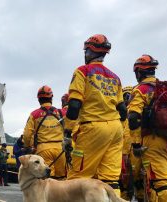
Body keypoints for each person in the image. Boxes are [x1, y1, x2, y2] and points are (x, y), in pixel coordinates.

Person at [62, 34, 126, 196]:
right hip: (116, 129)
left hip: (92, 129)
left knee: (78, 178)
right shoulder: (115, 77)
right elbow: (123, 111)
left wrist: (67, 133)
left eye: (86, 51)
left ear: (90, 51)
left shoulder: (82, 72)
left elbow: (74, 105)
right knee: (110, 180)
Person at [128, 54, 167, 201]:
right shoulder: (166, 89)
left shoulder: (140, 89)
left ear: (139, 72)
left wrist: (136, 144)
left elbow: (133, 118)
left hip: (153, 140)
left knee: (160, 182)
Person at [23, 85, 66, 179]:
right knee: (62, 178)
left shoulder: (34, 114)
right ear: (51, 98)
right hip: (60, 150)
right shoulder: (61, 112)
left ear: (39, 100)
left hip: (43, 150)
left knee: (47, 179)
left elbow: (27, 135)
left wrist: (27, 147)